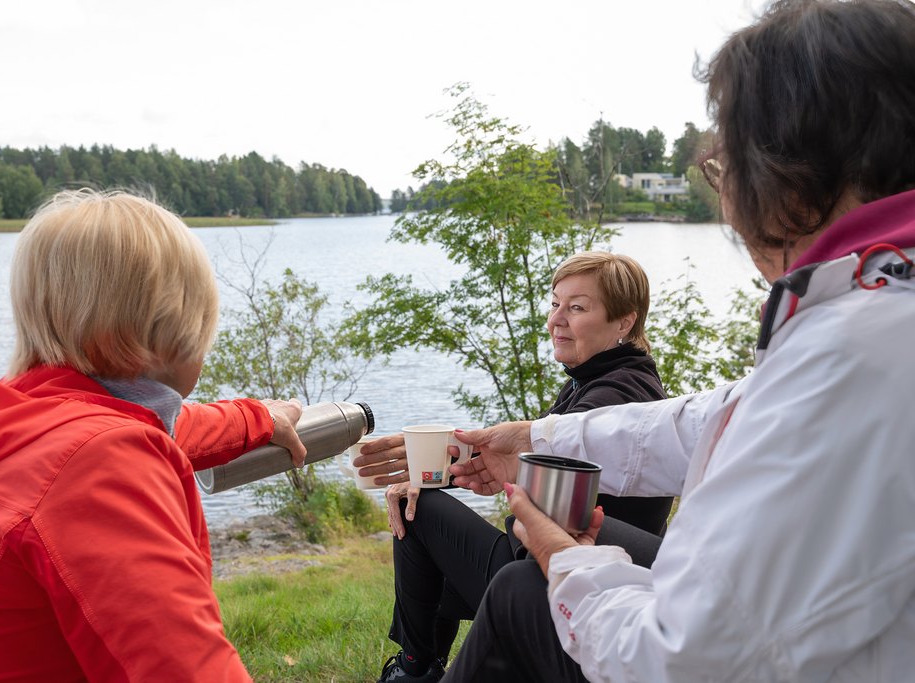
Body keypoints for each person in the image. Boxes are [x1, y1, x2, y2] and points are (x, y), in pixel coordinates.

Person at [438, 1, 915, 681]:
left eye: (726, 167)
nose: (728, 197)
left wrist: (565, 558)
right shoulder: (879, 307)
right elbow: (709, 419)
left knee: (522, 590)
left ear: (784, 175)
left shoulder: (850, 353)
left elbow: (679, 658)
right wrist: (536, 440)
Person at [0, 189, 307, 681]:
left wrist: (258, 418)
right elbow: (185, 671)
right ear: (173, 328)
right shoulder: (97, 462)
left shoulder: (17, 427)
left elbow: (167, 429)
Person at [361, 252, 672, 682]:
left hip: (557, 572)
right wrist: (445, 467)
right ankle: (416, 666)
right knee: (428, 549)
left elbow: (548, 471)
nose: (556, 320)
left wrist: (440, 474)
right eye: (554, 303)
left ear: (624, 322)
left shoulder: (616, 394)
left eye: (577, 307)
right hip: (563, 561)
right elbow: (529, 457)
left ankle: (414, 670)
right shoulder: (601, 378)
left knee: (423, 512)